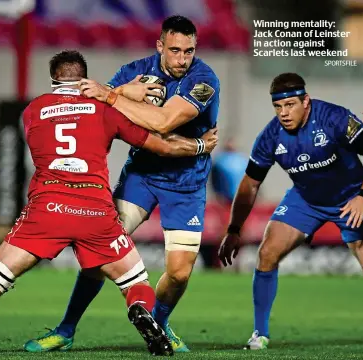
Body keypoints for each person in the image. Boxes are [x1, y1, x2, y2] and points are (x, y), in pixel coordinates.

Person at [0, 50, 218, 356]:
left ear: (53, 79)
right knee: (136, 283)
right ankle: (139, 310)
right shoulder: (104, 110)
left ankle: (64, 329)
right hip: (94, 211)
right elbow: (161, 145)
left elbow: (62, 115)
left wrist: (114, 92)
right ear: (85, 79)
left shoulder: (32, 110)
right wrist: (199, 144)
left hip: (47, 209)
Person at [24, 15, 219, 353]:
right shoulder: (134, 70)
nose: (181, 59)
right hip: (141, 177)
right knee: (101, 253)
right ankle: (65, 330)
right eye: (174, 50)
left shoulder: (204, 79)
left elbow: (164, 120)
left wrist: (115, 97)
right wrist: (119, 93)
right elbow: (92, 110)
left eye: (188, 51)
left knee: (179, 274)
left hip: (187, 184)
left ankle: (158, 325)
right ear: (160, 46)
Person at [218, 72, 363, 351]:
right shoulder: (271, 136)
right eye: (278, 107)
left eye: (290, 105)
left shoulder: (334, 118)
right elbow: (250, 184)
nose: (284, 113)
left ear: (306, 101)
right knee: (267, 253)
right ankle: (260, 334)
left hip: (351, 200)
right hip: (305, 201)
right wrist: (234, 230)